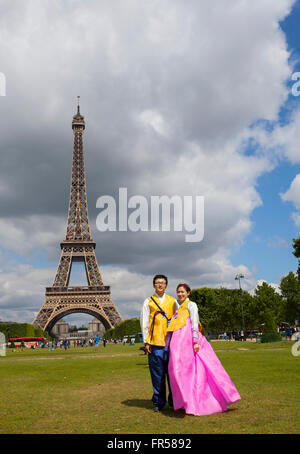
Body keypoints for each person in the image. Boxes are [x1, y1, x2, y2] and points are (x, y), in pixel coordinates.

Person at [166, 283, 241, 416]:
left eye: (183, 292)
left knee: (192, 372)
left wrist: (195, 340)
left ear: (188, 293)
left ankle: (197, 402)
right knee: (183, 372)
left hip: (189, 342)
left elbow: (195, 322)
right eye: (178, 292)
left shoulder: (191, 305)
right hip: (181, 344)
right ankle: (187, 402)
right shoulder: (179, 308)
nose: (180, 294)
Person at [140, 274, 178, 412]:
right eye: (157, 283)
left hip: (171, 343)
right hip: (155, 344)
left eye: (162, 282)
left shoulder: (173, 301)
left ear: (166, 285)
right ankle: (158, 401)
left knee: (173, 375)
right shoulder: (148, 302)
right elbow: (144, 323)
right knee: (157, 375)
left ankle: (174, 401)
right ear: (153, 285)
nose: (160, 285)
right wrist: (146, 342)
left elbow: (179, 320)